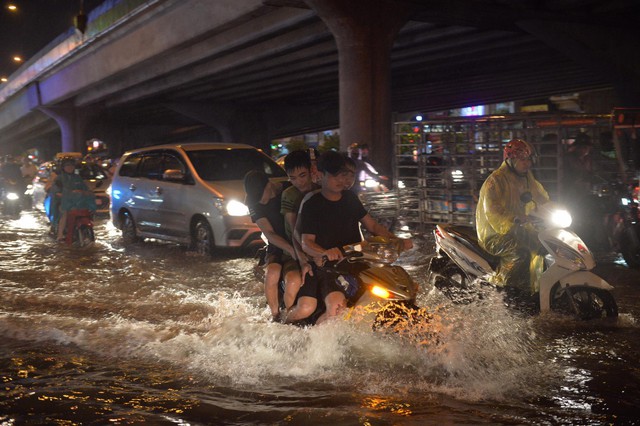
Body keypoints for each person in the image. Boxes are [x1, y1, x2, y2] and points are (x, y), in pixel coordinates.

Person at [289, 151, 412, 324]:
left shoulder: (351, 198)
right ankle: (314, 346)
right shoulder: (312, 204)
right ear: (321, 175)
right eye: (337, 175)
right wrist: (325, 252)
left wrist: (397, 241)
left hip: (356, 261)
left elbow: (373, 226)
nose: (343, 180)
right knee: (336, 307)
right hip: (328, 267)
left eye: (347, 175)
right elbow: (306, 242)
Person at [476, 139, 549, 300]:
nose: (527, 164)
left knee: (543, 248)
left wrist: (553, 211)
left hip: (522, 229)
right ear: (511, 160)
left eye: (529, 159)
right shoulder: (495, 181)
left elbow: (542, 199)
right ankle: (504, 292)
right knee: (520, 253)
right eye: (523, 159)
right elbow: (493, 210)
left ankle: (533, 293)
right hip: (496, 234)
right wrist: (513, 219)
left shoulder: (528, 179)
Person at [244, 170, 301, 322]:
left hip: (299, 241)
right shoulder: (253, 202)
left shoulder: (289, 190)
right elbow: (269, 233)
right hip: (277, 245)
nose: (260, 202)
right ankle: (275, 315)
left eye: (260, 196)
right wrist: (290, 249)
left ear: (269, 184)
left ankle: (292, 315)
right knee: (272, 273)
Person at [280, 150, 320, 309]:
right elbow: (294, 232)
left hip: (319, 250)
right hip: (295, 253)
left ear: (311, 170)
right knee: (294, 281)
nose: (299, 183)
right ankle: (286, 319)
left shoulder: (322, 189)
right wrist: (303, 260)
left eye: (303, 175)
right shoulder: (289, 195)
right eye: (292, 178)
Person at [53, 158, 97, 242]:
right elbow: (56, 191)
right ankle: (60, 235)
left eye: (71, 165)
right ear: (63, 167)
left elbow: (85, 188)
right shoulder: (59, 178)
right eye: (67, 165)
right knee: (64, 213)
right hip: (64, 202)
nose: (70, 167)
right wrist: (64, 194)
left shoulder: (78, 178)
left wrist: (86, 192)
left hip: (77, 202)